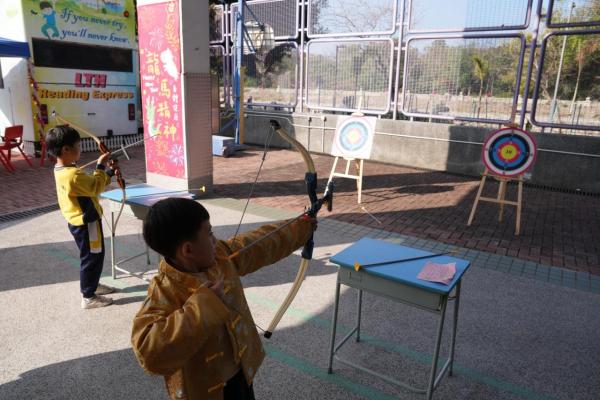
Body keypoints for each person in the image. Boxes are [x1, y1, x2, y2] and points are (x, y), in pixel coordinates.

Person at [131, 198, 316, 400]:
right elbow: (149, 353)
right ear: (188, 250)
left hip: (241, 374)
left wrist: (301, 227)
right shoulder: (165, 289)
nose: (214, 239)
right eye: (209, 233)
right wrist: (204, 305)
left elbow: (260, 243)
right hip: (203, 392)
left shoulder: (219, 256)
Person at [45, 125, 116, 309]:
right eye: (78, 146)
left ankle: (93, 284)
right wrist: (102, 167)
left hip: (79, 220)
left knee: (93, 255)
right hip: (87, 222)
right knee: (93, 257)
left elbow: (89, 183)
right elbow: (95, 186)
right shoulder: (73, 175)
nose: (80, 149)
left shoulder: (62, 169)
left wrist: (107, 173)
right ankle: (88, 296)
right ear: (66, 149)